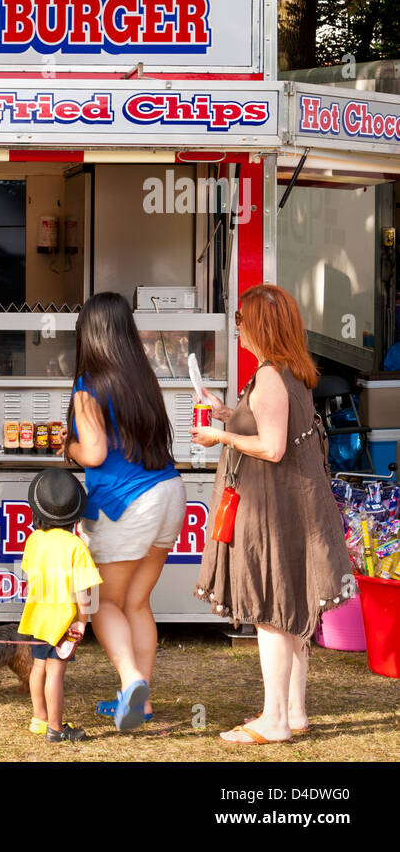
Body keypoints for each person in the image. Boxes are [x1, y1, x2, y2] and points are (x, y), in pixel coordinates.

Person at [192, 285, 354, 745]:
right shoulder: (291, 371)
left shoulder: (268, 376)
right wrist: (229, 414)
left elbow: (272, 446)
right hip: (294, 507)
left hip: (275, 513)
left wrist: (219, 437)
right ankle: (294, 713)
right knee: (292, 609)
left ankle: (275, 720)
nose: (237, 327)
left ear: (257, 325)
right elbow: (269, 425)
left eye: (241, 320)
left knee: (272, 613)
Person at [62, 291, 184, 731]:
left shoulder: (89, 385)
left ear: (88, 334)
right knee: (136, 602)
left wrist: (68, 446)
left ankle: (131, 681)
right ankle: (141, 703)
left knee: (103, 603)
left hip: (126, 503)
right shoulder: (143, 377)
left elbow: (93, 453)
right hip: (169, 492)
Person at [19, 468, 102, 743]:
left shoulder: (33, 540)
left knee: (38, 666)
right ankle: (56, 729)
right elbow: (83, 590)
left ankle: (39, 719)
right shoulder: (76, 546)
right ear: (74, 514)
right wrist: (82, 620)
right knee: (56, 672)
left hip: (37, 616)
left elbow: (31, 578)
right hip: (62, 620)